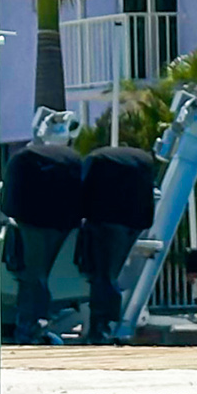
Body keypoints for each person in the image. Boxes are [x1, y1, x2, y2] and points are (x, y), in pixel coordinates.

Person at [5, 109, 84, 342]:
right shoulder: (73, 159)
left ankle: (30, 325)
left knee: (34, 276)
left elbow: (10, 195)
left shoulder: (25, 157)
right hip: (63, 223)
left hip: (31, 220)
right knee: (40, 274)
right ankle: (36, 322)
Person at [78, 136, 159, 340]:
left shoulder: (96, 159)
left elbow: (83, 188)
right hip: (134, 221)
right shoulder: (143, 160)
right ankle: (107, 322)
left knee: (104, 275)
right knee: (112, 271)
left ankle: (103, 324)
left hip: (107, 220)